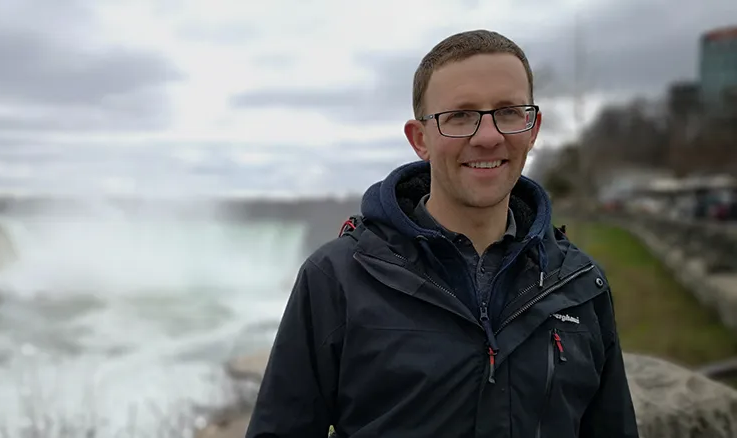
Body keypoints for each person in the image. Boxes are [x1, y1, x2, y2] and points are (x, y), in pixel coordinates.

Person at [244, 29, 639, 438]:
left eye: (508, 111)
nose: (488, 137)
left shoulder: (579, 284)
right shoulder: (338, 278)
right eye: (460, 116)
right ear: (421, 140)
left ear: (533, 127)